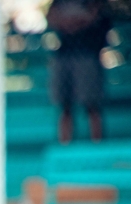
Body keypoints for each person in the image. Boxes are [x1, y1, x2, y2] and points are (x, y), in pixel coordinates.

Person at [46, 0, 111, 143]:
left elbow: (94, 16)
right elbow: (51, 17)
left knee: (91, 104)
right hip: (64, 55)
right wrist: (74, 21)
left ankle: (97, 144)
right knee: (65, 105)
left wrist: (71, 22)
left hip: (87, 54)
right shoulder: (58, 2)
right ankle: (65, 144)